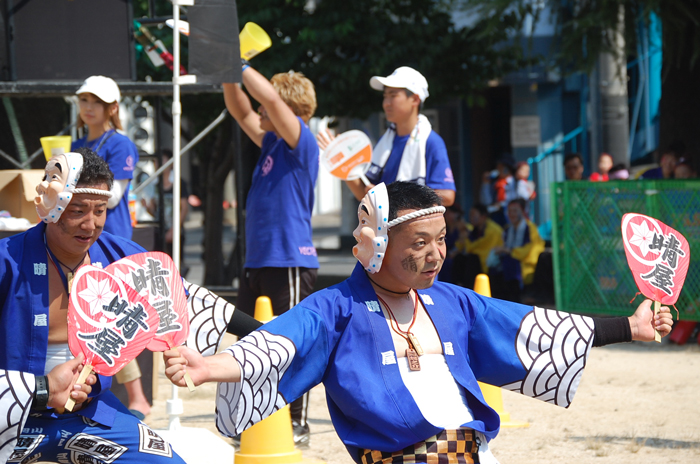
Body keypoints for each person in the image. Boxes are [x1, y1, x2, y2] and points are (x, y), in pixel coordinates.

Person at [164, 181, 673, 464]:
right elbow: (276, 344)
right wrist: (208, 368)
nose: (435, 256)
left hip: (472, 454)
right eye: (419, 244)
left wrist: (630, 326)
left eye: (441, 240)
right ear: (377, 246)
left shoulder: (453, 302)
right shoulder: (335, 308)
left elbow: (537, 328)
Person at [0, 148, 184, 464]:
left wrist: (260, 337)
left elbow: (183, 295)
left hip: (89, 416)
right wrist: (42, 389)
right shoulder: (7, 260)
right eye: (78, 210)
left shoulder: (121, 256)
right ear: (50, 207)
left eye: (100, 210)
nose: (90, 224)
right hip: (11, 416)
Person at [222, 62, 319, 445]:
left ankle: (297, 422)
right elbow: (239, 107)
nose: (260, 112)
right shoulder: (271, 143)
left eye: (268, 108)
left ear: (287, 110)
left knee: (294, 344)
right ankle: (256, 418)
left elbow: (267, 98)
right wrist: (226, 69)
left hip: (290, 259)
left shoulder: (301, 140)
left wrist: (239, 61)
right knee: (248, 342)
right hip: (258, 261)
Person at [317, 66, 455, 207]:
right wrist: (344, 163)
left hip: (414, 228)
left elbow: (447, 195)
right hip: (385, 228)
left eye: (393, 96)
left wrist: (391, 196)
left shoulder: (431, 142)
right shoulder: (386, 142)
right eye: (385, 96)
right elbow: (364, 193)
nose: (386, 103)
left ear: (415, 99)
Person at [72, 75, 139, 240]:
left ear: (114, 107)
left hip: (111, 236)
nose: (88, 107)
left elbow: (113, 198)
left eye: (97, 102)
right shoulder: (75, 145)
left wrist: (68, 189)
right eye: (84, 99)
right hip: (78, 235)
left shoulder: (121, 144)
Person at [489, 199, 545, 303]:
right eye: (509, 211)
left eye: (515, 211)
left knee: (510, 262)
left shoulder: (529, 228)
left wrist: (508, 251)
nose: (511, 214)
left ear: (523, 212)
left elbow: (527, 251)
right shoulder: (507, 229)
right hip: (509, 264)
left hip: (525, 265)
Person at [451, 203, 504, 288]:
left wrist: (466, 238)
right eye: (470, 215)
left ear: (483, 216)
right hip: (479, 258)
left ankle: (468, 288)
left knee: (472, 259)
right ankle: (456, 287)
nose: (471, 218)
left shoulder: (493, 230)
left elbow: (476, 247)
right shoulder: (475, 229)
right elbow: (462, 246)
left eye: (473, 215)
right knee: (459, 258)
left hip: (490, 261)